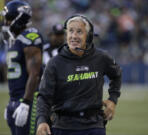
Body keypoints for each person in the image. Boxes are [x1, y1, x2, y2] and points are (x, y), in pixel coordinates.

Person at [36, 15, 122, 135]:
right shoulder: (55, 63)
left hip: (94, 126)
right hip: (63, 127)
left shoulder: (101, 58)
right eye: (70, 31)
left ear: (88, 36)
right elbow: (44, 97)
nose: (74, 36)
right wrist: (41, 121)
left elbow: (117, 74)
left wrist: (113, 99)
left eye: (79, 32)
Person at [1, 1, 43, 135]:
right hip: (16, 99)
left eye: (8, 19)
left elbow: (35, 74)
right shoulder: (14, 40)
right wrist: (11, 102)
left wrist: (25, 103)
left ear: (18, 18)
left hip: (29, 100)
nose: (5, 23)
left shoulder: (30, 37)